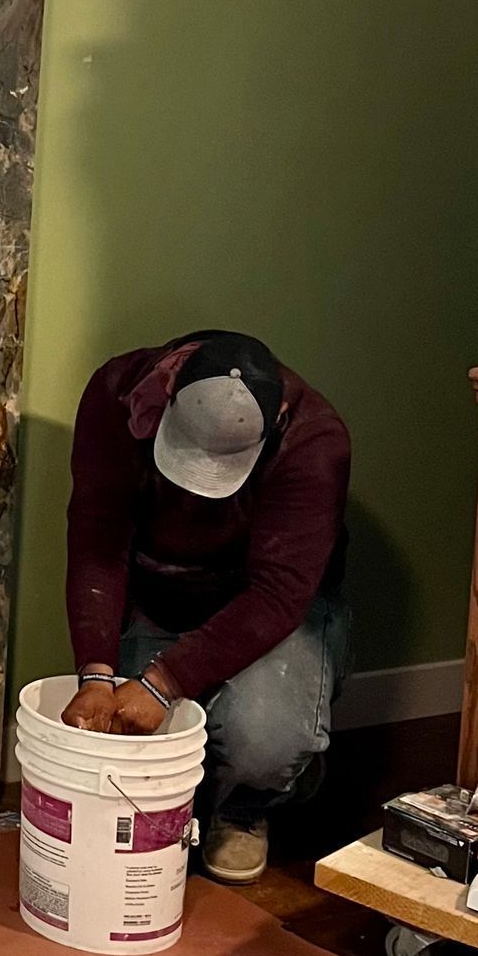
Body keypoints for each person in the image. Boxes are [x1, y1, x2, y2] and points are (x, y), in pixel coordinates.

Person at [59, 330, 351, 887]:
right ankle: (208, 794)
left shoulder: (315, 443)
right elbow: (98, 538)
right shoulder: (119, 393)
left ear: (278, 419)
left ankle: (249, 804)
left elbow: (278, 594)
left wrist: (163, 681)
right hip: (160, 592)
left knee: (264, 741)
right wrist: (96, 671)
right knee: (129, 738)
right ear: (167, 391)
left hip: (273, 611)